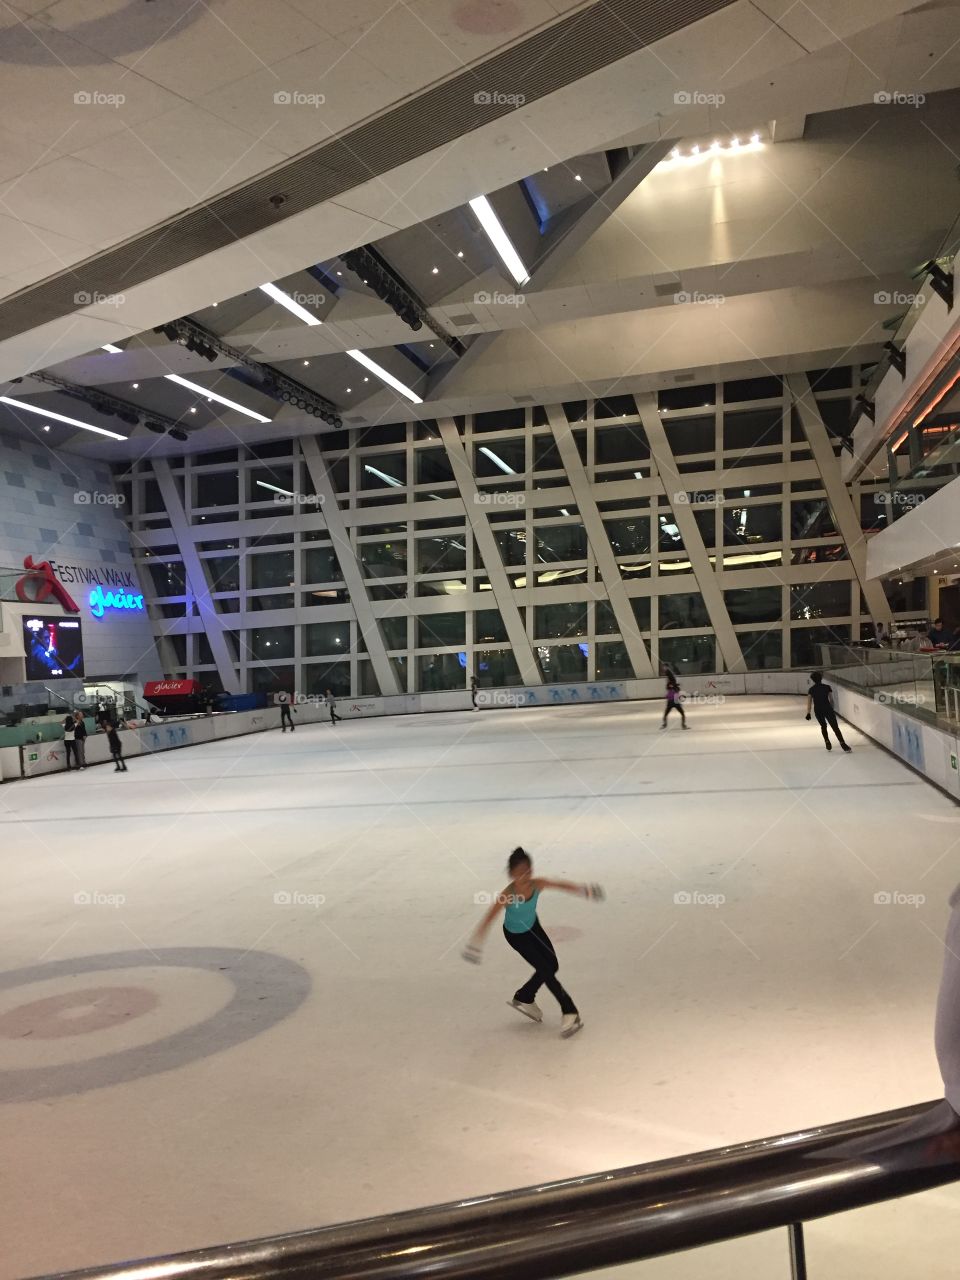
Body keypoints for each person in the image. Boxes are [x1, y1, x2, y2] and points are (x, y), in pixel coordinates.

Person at [462, 846, 603, 1039]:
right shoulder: (507, 894)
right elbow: (489, 918)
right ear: (511, 874)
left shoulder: (538, 884)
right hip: (516, 936)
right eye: (520, 873)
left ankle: (525, 996)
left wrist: (584, 890)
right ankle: (569, 1010)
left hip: (533, 928)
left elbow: (561, 885)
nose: (526, 876)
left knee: (552, 965)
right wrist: (475, 944)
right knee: (546, 969)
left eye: (528, 871)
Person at [805, 671, 851, 752]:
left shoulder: (811, 690)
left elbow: (809, 703)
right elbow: (831, 700)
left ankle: (827, 741)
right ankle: (843, 743)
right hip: (827, 708)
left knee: (823, 726)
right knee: (835, 727)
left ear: (813, 680)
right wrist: (832, 709)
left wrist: (808, 713)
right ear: (821, 678)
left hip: (818, 710)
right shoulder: (827, 687)